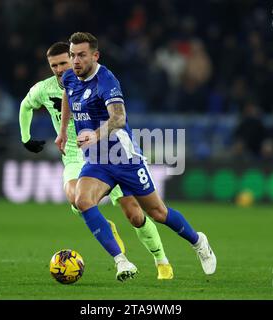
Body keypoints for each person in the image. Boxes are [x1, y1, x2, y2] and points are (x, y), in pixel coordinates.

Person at [56, 32, 216, 281]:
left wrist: (95, 135)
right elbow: (68, 94)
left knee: (157, 214)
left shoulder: (106, 81)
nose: (75, 61)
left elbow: (118, 118)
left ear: (95, 56)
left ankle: (198, 242)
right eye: (73, 55)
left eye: (82, 55)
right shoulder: (69, 77)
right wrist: (63, 130)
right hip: (97, 161)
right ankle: (121, 261)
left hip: (124, 159)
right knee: (82, 200)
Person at [19, 42, 173, 280]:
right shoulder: (43, 89)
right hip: (74, 155)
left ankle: (161, 260)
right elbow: (25, 106)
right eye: (54, 66)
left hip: (107, 154)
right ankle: (115, 249)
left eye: (63, 63)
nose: (59, 69)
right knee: (76, 198)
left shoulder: (94, 81)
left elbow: (116, 115)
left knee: (134, 213)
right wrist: (26, 138)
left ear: (75, 62)